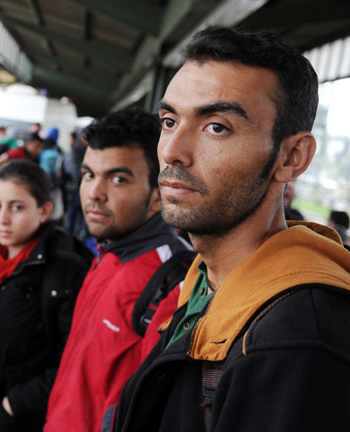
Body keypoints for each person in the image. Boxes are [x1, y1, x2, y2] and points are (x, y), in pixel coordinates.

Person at [115, 27, 350, 432]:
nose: (172, 150)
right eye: (169, 121)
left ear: (291, 157)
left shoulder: (296, 340)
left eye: (216, 127)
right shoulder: (203, 281)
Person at [44, 108, 191, 432]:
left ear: (158, 196)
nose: (94, 193)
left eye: (118, 178)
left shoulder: (174, 283)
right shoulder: (107, 253)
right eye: (88, 174)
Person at [0, 161, 92, 432]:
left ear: (44, 211)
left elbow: (71, 356)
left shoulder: (64, 268)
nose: (3, 219)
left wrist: (17, 402)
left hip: (19, 414)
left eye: (17, 207)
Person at [60, 130, 87, 240]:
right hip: (75, 191)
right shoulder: (76, 151)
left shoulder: (83, 150)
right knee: (72, 218)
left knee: (80, 218)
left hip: (78, 190)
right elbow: (75, 172)